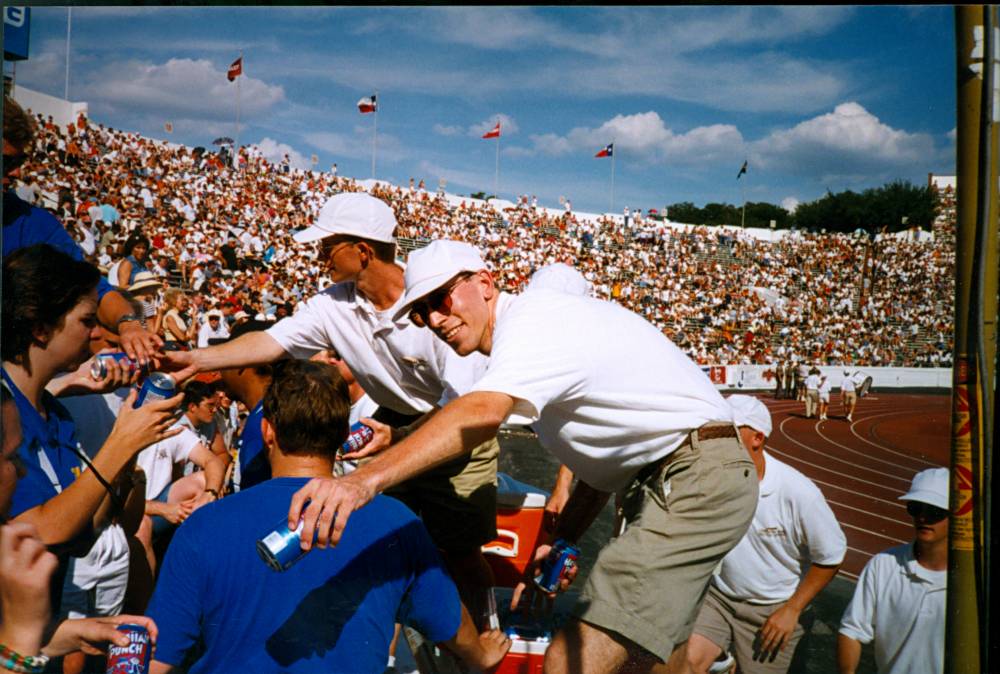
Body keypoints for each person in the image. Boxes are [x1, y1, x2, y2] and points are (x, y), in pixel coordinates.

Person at [288, 239, 758, 673]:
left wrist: (360, 481)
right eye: (421, 313)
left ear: (485, 284)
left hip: (692, 477)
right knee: (648, 655)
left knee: (567, 659)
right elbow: (605, 464)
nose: (434, 320)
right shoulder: (539, 341)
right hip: (681, 477)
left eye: (440, 300)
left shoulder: (532, 320)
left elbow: (481, 412)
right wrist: (565, 539)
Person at [164, 193, 500, 616]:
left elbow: (463, 406)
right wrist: (196, 359)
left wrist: (399, 436)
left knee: (461, 552)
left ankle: (486, 628)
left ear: (362, 252)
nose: (319, 255)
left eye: (328, 247)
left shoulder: (436, 302)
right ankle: (394, 643)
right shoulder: (331, 304)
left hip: (455, 426)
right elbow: (271, 342)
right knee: (380, 541)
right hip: (394, 420)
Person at [145, 359, 510, 674]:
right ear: (342, 436)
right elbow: (447, 620)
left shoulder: (205, 525)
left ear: (268, 431)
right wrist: (480, 655)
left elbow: (158, 656)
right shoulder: (396, 521)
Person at [687, 394, 846, 674]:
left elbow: (831, 556)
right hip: (720, 597)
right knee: (685, 662)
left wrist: (792, 610)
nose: (714, 441)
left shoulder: (798, 493)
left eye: (728, 433)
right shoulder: (712, 480)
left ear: (757, 438)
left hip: (773, 609)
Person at [3, 96, 162, 366]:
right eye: (5, 162)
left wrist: (128, 324)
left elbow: (91, 288)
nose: (16, 173)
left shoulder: (32, 222)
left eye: (20, 161)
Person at [837, 467, 949, 674]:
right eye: (916, 508)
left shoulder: (975, 580)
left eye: (934, 511)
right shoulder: (884, 565)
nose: (923, 518)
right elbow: (852, 630)